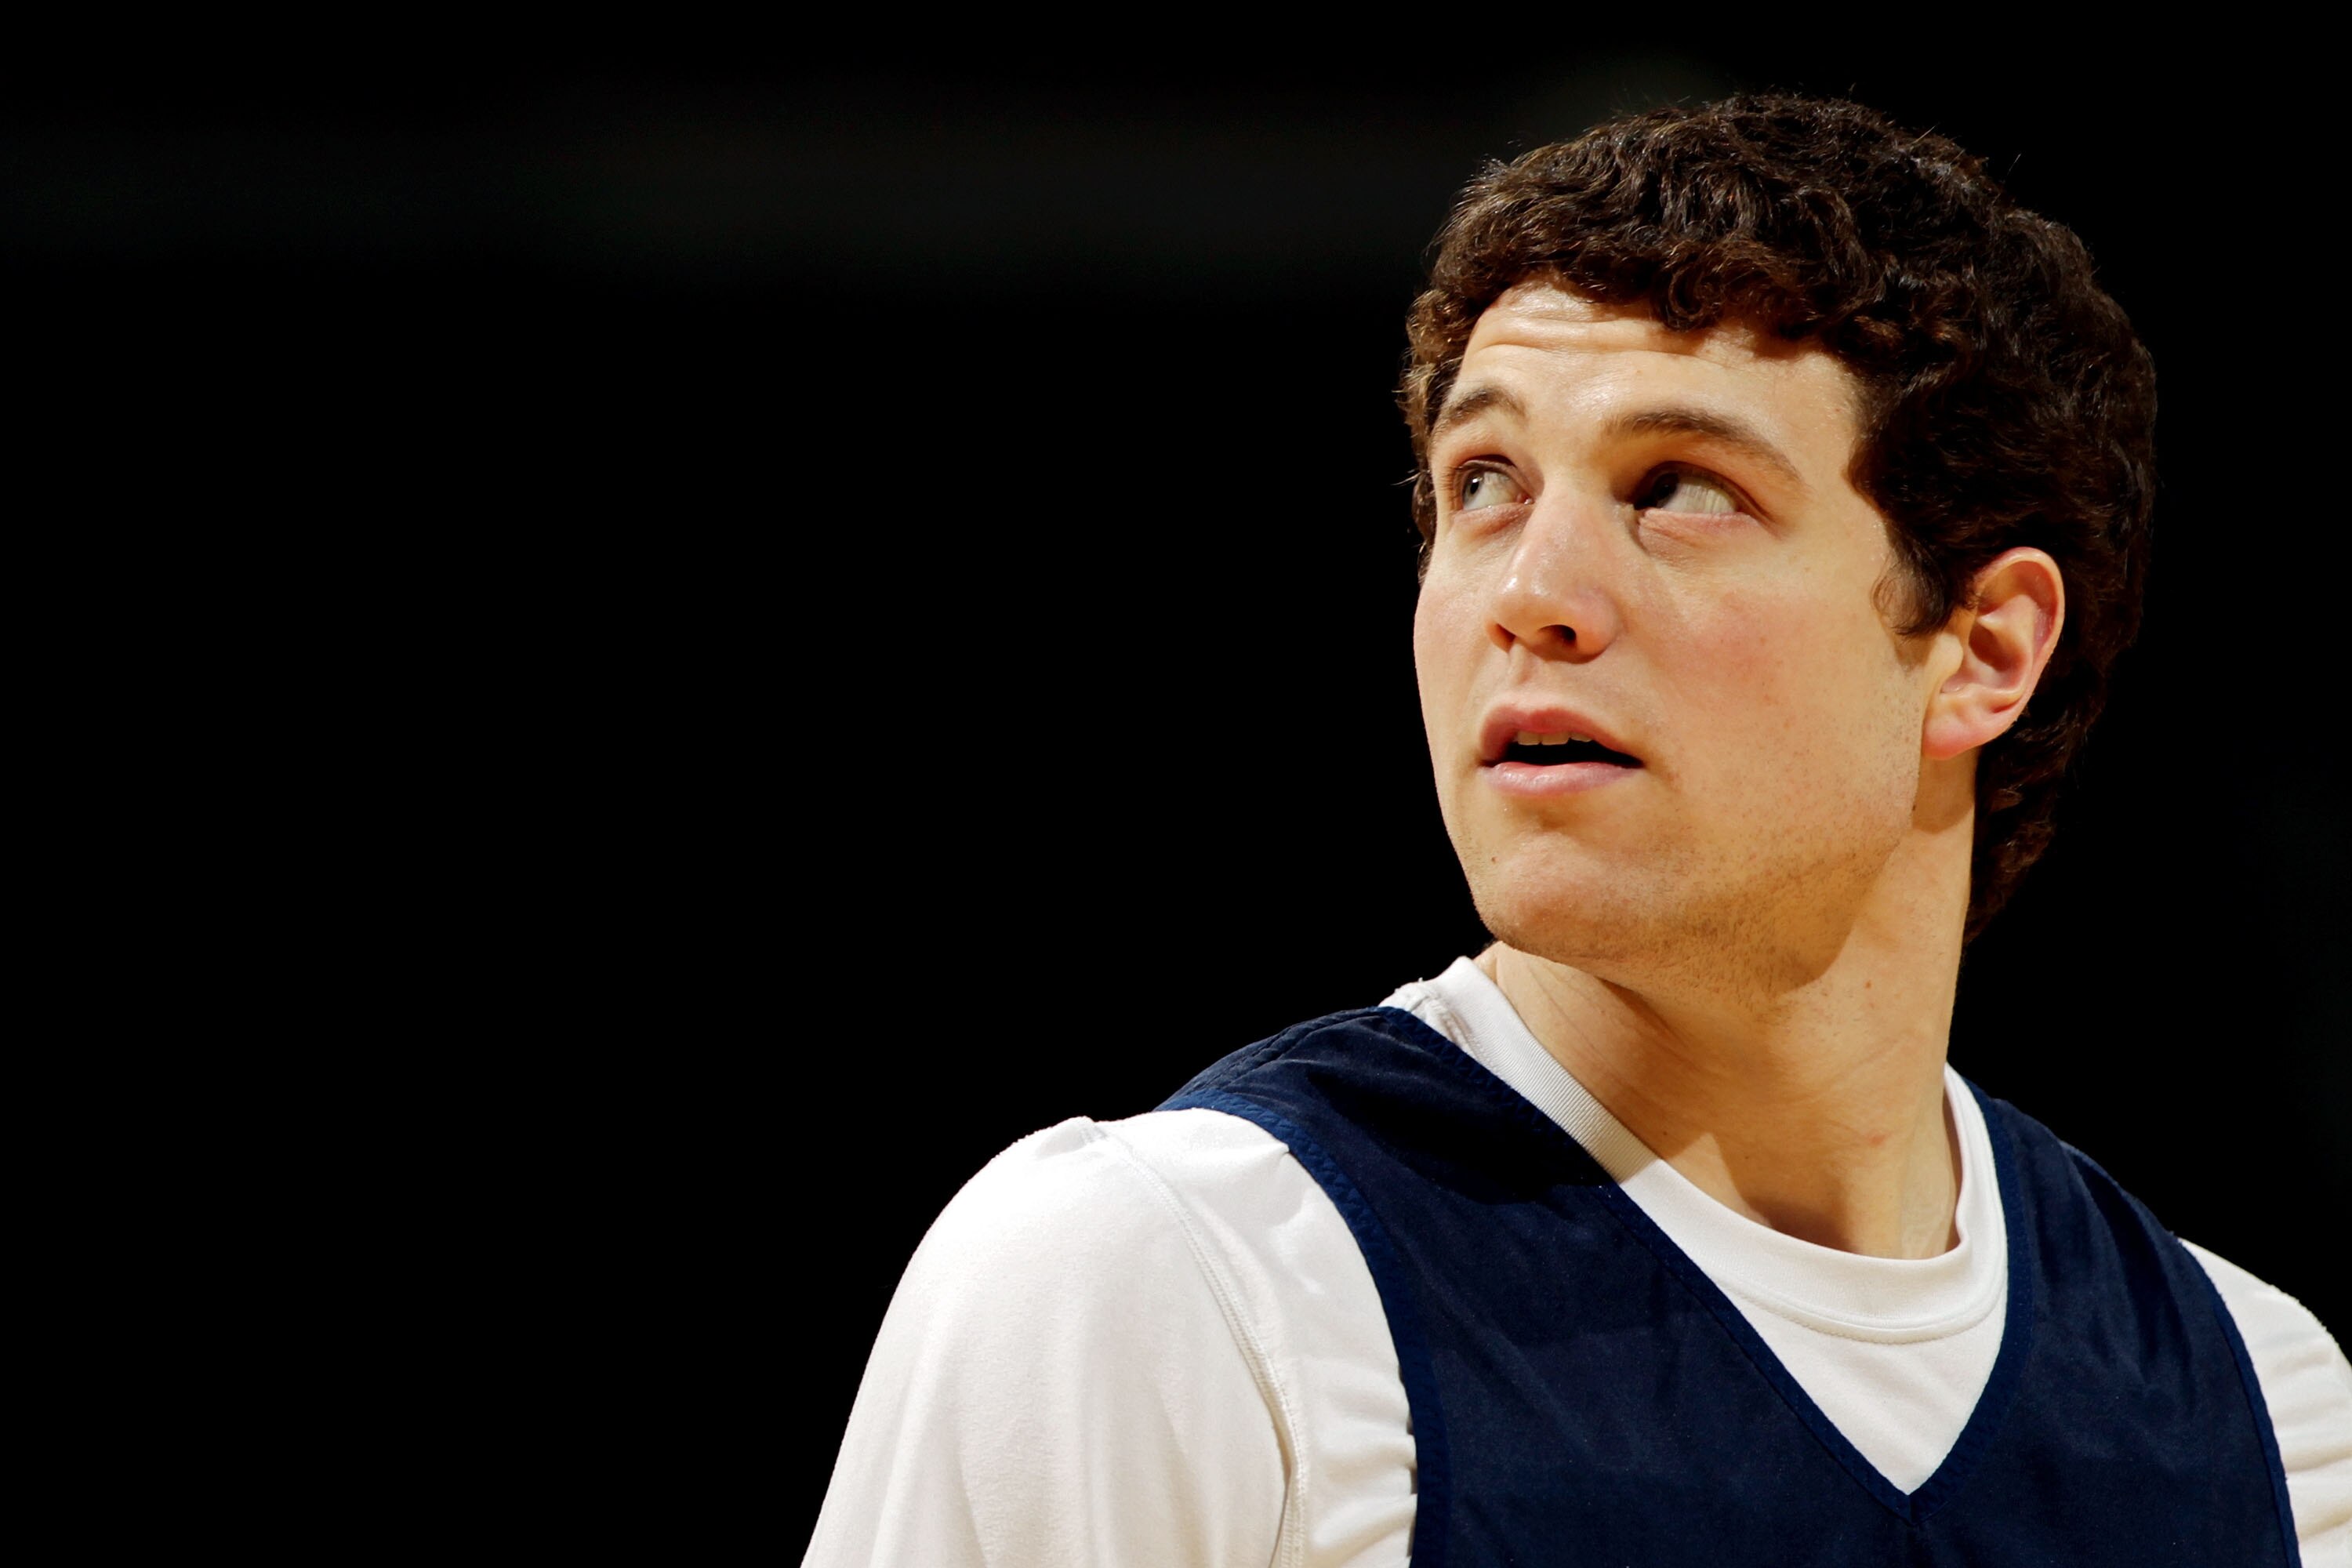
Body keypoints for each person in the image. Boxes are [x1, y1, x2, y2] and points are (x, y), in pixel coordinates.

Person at [805, 96, 2350, 1565]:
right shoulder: (1175, 1286)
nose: (1529, 590)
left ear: (1984, 648)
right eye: (1482, 482)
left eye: (1679, 488)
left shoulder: (2268, 1421)